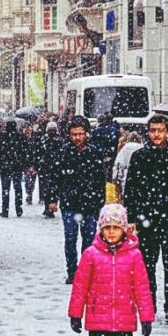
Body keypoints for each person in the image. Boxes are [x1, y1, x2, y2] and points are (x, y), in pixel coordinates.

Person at [123, 115, 168, 326]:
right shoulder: (140, 157)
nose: (157, 134)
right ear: (148, 132)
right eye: (153, 130)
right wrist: (132, 217)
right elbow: (131, 189)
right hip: (148, 220)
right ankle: (148, 304)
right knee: (147, 265)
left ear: (167, 132)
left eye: (160, 130)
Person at [69, 204, 154, 336]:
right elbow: (80, 287)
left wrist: (146, 317)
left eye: (116, 227)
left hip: (123, 319)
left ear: (124, 229)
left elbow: (142, 288)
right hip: (98, 319)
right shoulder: (91, 254)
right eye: (107, 227)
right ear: (100, 229)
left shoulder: (134, 255)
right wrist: (75, 314)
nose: (111, 232)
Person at [46, 116, 105, 283]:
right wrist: (52, 199)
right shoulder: (64, 153)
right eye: (74, 134)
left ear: (86, 134)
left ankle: (86, 271)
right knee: (70, 238)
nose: (77, 138)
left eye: (80, 134)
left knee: (89, 239)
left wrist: (101, 202)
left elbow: (100, 179)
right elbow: (55, 177)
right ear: (69, 135)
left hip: (90, 203)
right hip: (70, 203)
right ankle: (72, 271)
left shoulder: (94, 153)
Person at [0, 120, 28, 218]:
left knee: (5, 189)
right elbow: (25, 152)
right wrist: (24, 164)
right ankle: (19, 208)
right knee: (18, 188)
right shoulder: (21, 137)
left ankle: (5, 210)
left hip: (5, 167)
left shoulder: (1, 137)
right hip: (17, 167)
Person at [112, 131, 143, 201]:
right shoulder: (143, 148)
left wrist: (116, 181)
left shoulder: (125, 148)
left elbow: (119, 164)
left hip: (125, 177)